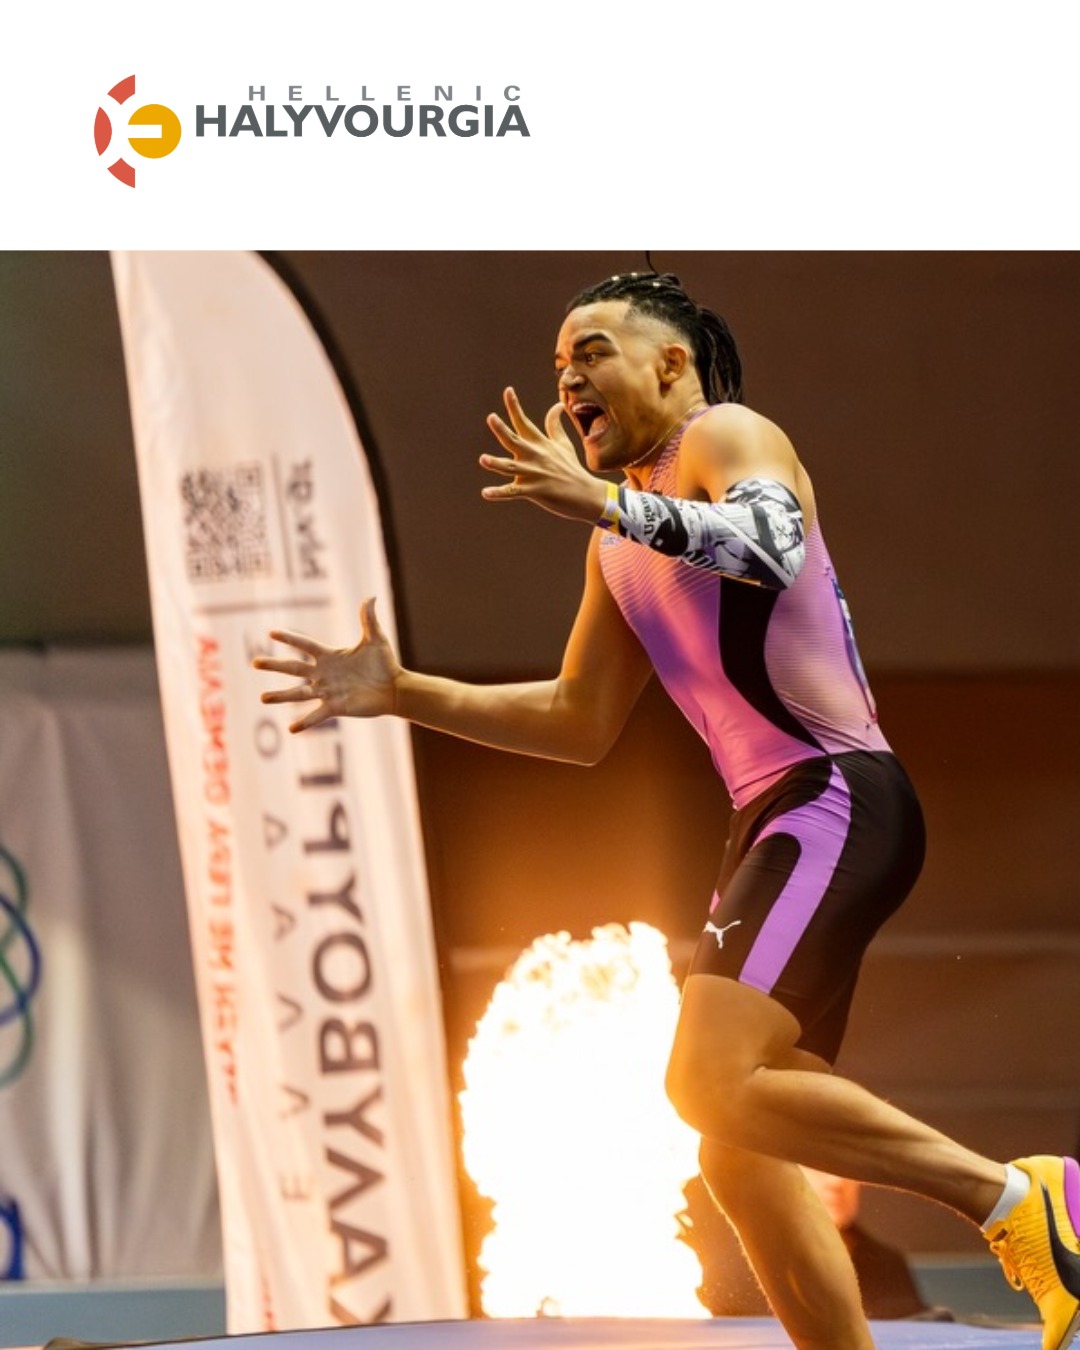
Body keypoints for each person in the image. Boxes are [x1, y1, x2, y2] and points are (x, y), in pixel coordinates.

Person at [254, 270, 1080, 1350]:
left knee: (703, 1080)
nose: (568, 380)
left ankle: (1021, 1198)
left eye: (591, 352)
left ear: (670, 362)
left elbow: (771, 545)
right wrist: (408, 692)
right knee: (738, 1147)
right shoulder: (617, 543)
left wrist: (603, 502)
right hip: (776, 816)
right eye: (559, 365)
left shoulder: (727, 436)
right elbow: (578, 717)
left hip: (834, 794)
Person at [679, 1169, 940, 1322]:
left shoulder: (886, 1265)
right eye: (817, 1165)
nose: (836, 1182)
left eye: (847, 1168)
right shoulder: (723, 1268)